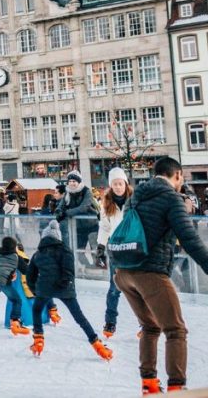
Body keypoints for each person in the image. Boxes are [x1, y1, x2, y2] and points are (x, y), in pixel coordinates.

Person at [114, 157, 208, 394]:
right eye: (181, 179)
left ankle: (149, 384)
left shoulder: (135, 197)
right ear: (176, 175)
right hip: (150, 273)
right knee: (175, 330)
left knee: (150, 326)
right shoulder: (171, 197)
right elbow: (190, 239)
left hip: (124, 273)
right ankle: (176, 387)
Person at [27, 219, 113, 361]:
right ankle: (97, 344)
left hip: (44, 289)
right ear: (58, 237)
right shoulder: (65, 250)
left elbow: (30, 276)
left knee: (36, 309)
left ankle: (38, 339)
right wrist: (65, 283)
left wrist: (36, 291)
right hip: (65, 288)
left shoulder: (38, 254)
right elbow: (69, 270)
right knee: (79, 317)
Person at [96, 167, 131, 338]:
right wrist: (100, 247)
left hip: (134, 247)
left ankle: (146, 322)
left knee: (139, 287)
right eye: (115, 184)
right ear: (111, 186)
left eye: (120, 183)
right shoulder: (106, 205)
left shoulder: (134, 201)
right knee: (114, 287)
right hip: (115, 249)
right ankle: (110, 322)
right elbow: (104, 227)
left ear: (125, 183)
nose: (118, 187)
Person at [0, 236, 29, 336]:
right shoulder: (16, 257)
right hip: (1, 280)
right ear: (14, 246)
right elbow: (26, 270)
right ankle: (15, 322)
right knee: (16, 300)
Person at [55, 171, 99, 252]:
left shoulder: (86, 191)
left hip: (92, 226)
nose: (71, 183)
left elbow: (84, 207)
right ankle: (86, 265)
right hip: (79, 227)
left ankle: (98, 264)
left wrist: (67, 213)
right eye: (70, 181)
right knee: (79, 252)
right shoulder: (68, 192)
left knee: (95, 251)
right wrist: (58, 212)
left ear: (78, 182)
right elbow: (61, 205)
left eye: (74, 181)